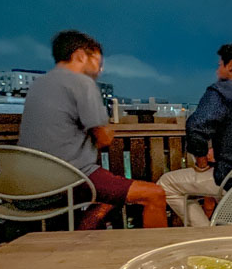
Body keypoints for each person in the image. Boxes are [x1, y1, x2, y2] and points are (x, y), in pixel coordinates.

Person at [18, 29, 167, 229]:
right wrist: (107, 131)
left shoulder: (38, 85)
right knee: (154, 194)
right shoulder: (82, 83)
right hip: (69, 178)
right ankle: (156, 256)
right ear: (80, 55)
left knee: (109, 195)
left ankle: (79, 238)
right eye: (98, 61)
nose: (100, 69)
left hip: (26, 182)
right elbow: (104, 138)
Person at [158, 43, 232, 226]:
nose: (217, 71)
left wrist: (201, 162)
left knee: (166, 184)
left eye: (219, 65)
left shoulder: (222, 91)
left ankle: (207, 233)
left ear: (230, 65)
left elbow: (196, 126)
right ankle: (224, 227)